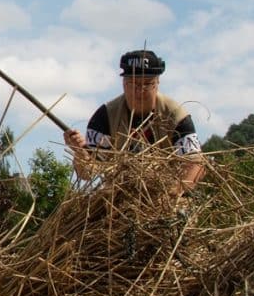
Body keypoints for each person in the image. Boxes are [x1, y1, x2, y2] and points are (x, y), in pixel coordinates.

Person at [63, 49, 204, 195]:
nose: (139, 91)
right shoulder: (105, 117)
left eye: (147, 84)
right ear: (124, 83)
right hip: (118, 201)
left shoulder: (176, 115)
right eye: (133, 83)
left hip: (168, 198)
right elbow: (88, 173)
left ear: (157, 83)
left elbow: (195, 162)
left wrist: (173, 194)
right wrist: (80, 153)